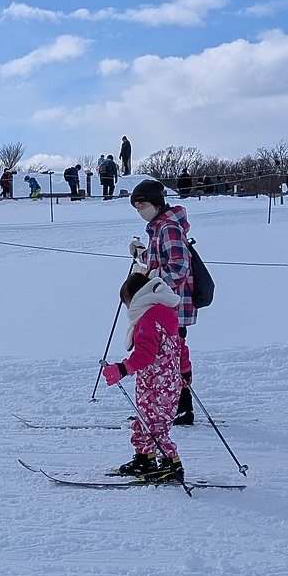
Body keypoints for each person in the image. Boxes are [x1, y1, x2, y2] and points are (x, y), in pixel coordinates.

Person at [102, 272, 186, 481]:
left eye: (127, 302)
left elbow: (145, 354)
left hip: (157, 385)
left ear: (138, 297)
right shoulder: (166, 314)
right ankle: (144, 459)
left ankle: (171, 465)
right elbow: (181, 347)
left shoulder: (148, 320)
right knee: (144, 422)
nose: (128, 308)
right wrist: (185, 371)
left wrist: (122, 368)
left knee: (155, 426)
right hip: (162, 383)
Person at [128, 178, 196, 426]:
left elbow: (178, 268)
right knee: (162, 355)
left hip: (173, 304)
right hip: (163, 303)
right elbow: (160, 259)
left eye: (142, 203)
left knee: (172, 353)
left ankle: (182, 407)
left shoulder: (168, 227)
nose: (139, 209)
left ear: (156, 203)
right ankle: (166, 405)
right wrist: (141, 254)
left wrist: (152, 279)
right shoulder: (158, 227)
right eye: (136, 206)